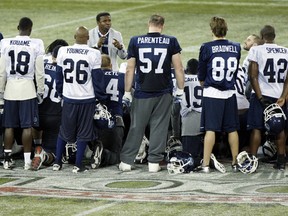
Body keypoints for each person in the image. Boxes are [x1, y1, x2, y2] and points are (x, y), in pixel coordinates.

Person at [119, 14, 185, 173]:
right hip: (164, 91)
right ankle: (154, 162)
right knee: (160, 127)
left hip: (143, 91)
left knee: (136, 126)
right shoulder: (171, 40)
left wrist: (127, 92)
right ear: (162, 26)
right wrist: (181, 89)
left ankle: (127, 161)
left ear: (149, 24)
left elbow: (130, 69)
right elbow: (179, 68)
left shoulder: (136, 40)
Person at [53, 26, 107, 173]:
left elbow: (59, 76)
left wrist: (60, 92)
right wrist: (102, 98)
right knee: (84, 132)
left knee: (64, 131)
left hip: (69, 97)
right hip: (86, 98)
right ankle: (78, 165)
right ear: (88, 38)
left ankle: (57, 162)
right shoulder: (94, 53)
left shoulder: (63, 51)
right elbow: (97, 79)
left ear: (74, 36)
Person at [197, 16, 241, 173]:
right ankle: (235, 162)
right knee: (232, 129)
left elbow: (201, 74)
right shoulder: (236, 47)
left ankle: (206, 164)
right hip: (230, 92)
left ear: (212, 30)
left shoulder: (207, 47)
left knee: (210, 129)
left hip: (212, 92)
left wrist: (204, 83)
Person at [0, 17, 45, 170]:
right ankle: (27, 162)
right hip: (27, 88)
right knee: (27, 126)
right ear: (30, 29)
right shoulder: (36, 44)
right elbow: (40, 72)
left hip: (11, 87)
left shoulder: (5, 43)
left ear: (17, 27)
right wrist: (40, 90)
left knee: (9, 126)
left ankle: (6, 159)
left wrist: (1, 90)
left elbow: (2, 71)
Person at [247, 25, 288, 171]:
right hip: (279, 96)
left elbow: (253, 76)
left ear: (262, 36)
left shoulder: (256, 50)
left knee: (256, 129)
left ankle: (252, 160)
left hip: (262, 94)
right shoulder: (286, 51)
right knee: (279, 128)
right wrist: (283, 97)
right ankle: (281, 160)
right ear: (274, 36)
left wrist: (259, 97)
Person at [31, 39, 69, 170]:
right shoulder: (66, 69)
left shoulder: (41, 64)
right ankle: (44, 155)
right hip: (55, 115)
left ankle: (34, 146)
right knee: (55, 153)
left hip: (36, 113)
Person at [90, 54, 125, 168]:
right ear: (110, 65)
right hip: (116, 121)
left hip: (95, 122)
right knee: (117, 157)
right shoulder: (121, 76)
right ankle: (104, 155)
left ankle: (92, 152)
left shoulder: (92, 77)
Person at [180, 58, 203, 165]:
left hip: (187, 122)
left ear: (187, 69)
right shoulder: (203, 79)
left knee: (188, 157)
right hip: (202, 119)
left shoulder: (182, 80)